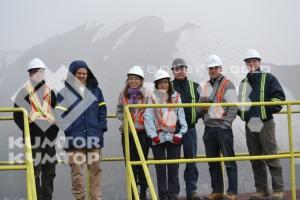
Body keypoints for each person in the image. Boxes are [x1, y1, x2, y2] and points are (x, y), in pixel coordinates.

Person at [55, 60, 107, 200]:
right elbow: (59, 115)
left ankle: (96, 198)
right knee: (77, 173)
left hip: (94, 139)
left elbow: (102, 111)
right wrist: (70, 130)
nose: (82, 76)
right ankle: (80, 198)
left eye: (84, 73)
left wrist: (100, 129)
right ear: (72, 74)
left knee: (96, 171)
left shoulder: (96, 91)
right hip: (75, 141)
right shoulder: (64, 93)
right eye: (79, 73)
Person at [238, 49, 285, 200]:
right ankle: (261, 190)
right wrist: (244, 115)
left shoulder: (269, 78)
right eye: (249, 61)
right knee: (255, 158)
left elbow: (279, 98)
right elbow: (239, 104)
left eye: (254, 61)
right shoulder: (243, 83)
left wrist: (263, 110)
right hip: (251, 124)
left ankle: (278, 190)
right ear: (246, 64)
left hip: (265, 123)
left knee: (271, 156)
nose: (252, 63)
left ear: (259, 62)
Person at [13, 58, 59, 200]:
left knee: (49, 171)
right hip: (33, 138)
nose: (38, 74)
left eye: (40, 71)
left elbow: (57, 113)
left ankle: (47, 198)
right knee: (34, 171)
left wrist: (54, 131)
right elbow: (17, 116)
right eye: (35, 72)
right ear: (30, 74)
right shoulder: (23, 93)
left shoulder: (50, 92)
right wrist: (30, 131)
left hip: (49, 138)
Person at [144, 69, 188, 200]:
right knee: (160, 169)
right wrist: (153, 135)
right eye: (160, 83)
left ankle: (173, 195)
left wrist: (180, 134)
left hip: (174, 137)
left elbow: (182, 117)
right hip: (158, 138)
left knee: (173, 168)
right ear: (156, 84)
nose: (163, 85)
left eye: (165, 82)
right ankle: (163, 196)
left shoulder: (176, 97)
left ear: (169, 83)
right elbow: (148, 117)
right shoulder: (152, 98)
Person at [199, 55, 238, 200]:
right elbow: (198, 109)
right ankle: (217, 192)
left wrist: (225, 125)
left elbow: (233, 107)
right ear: (208, 70)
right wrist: (201, 109)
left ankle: (232, 193)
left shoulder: (228, 84)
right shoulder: (204, 86)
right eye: (211, 68)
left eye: (216, 67)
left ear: (220, 68)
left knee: (229, 162)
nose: (213, 70)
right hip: (209, 128)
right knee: (213, 163)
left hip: (223, 129)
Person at [116, 66, 151, 200]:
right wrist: (124, 118)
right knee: (129, 162)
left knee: (142, 163)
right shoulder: (123, 94)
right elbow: (119, 111)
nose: (133, 81)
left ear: (141, 81)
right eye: (131, 78)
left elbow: (151, 112)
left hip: (142, 133)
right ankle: (132, 191)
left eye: (136, 79)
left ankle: (143, 192)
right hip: (128, 133)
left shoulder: (147, 94)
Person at [171, 58, 201, 200]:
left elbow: (202, 106)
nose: (180, 71)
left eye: (182, 68)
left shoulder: (195, 86)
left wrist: (196, 116)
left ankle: (191, 191)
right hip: (172, 131)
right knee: (173, 163)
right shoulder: (167, 87)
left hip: (190, 130)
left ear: (186, 70)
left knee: (191, 161)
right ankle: (173, 193)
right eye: (177, 69)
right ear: (173, 71)